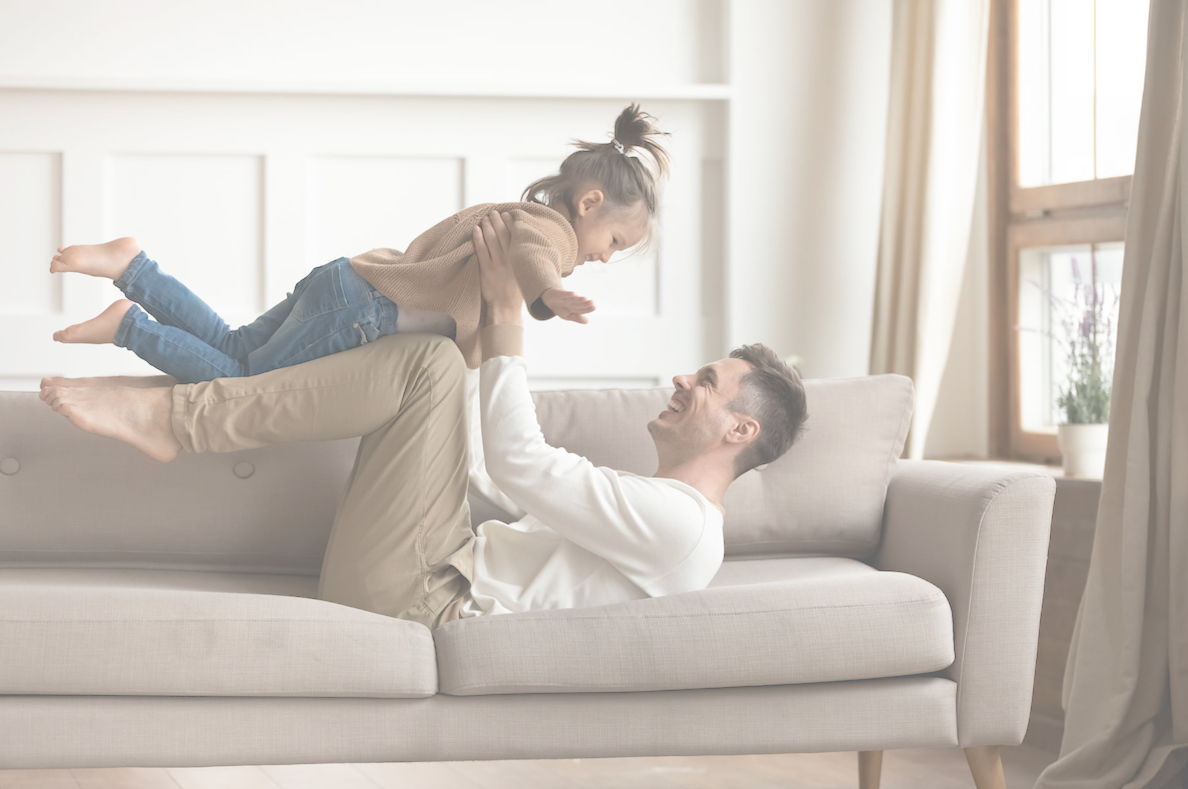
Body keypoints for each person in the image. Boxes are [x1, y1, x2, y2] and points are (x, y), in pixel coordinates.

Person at [38, 213, 809, 627]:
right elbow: (479, 468)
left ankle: (176, 416)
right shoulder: (660, 512)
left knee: (424, 365)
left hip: (422, 596)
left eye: (706, 382)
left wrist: (508, 313)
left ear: (740, 430)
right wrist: (464, 322)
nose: (681, 378)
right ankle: (156, 357)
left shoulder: (682, 529)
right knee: (431, 357)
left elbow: (520, 466)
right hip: (424, 566)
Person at [47, 104, 670, 381]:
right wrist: (552, 291)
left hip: (347, 279)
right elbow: (536, 260)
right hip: (361, 310)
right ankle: (131, 325)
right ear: (587, 205)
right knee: (239, 377)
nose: (604, 257)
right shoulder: (548, 232)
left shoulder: (516, 215)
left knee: (236, 346)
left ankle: (135, 268)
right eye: (613, 240)